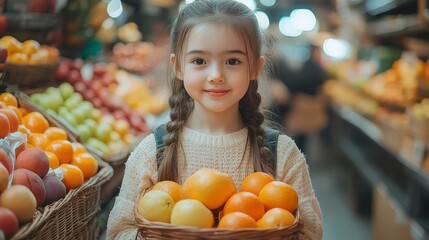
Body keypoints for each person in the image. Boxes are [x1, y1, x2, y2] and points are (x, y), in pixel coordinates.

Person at [106, 1, 322, 239]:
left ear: (255, 67)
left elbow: (310, 231)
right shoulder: (151, 152)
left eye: (232, 61)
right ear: (178, 66)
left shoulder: (283, 154)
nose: (216, 76)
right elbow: (119, 230)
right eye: (199, 61)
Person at [270, 43, 328, 154]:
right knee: (300, 138)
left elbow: (295, 82)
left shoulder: (308, 66)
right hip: (300, 109)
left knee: (297, 137)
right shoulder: (316, 68)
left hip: (295, 108)